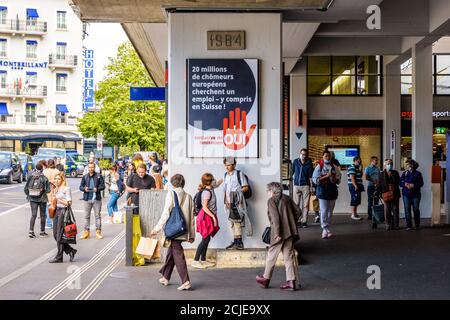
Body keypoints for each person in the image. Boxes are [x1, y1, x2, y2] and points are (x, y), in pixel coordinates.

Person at [150, 174, 195, 291]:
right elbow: (191, 218)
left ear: (173, 183)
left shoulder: (171, 194)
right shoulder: (188, 196)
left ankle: (186, 281)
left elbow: (166, 213)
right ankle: (165, 277)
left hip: (173, 230)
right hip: (183, 229)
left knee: (178, 255)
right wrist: (192, 235)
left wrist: (156, 228)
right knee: (172, 251)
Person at [256, 182, 301, 291]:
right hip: (290, 232)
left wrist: (277, 233)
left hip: (279, 233)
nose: (267, 193)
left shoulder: (271, 201)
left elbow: (275, 218)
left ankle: (265, 278)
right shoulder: (287, 198)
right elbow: (298, 211)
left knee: (271, 254)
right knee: (288, 256)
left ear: (272, 191)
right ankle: (291, 282)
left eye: (268, 191)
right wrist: (290, 222)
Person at [192, 173, 219, 269]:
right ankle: (195, 260)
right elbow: (204, 207)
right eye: (213, 179)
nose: (214, 181)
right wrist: (213, 217)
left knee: (207, 238)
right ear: (210, 182)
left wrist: (223, 178)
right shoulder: (207, 192)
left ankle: (203, 260)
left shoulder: (210, 189)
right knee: (205, 239)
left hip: (206, 216)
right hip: (205, 216)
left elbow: (218, 184)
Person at [223, 156, 250, 250]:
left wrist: (236, 194)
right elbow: (225, 189)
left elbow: (245, 187)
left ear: (234, 165)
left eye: (229, 165)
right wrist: (226, 200)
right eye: (225, 165)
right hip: (229, 203)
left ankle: (239, 242)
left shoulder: (239, 174)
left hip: (237, 202)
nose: (227, 167)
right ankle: (236, 241)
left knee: (237, 222)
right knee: (232, 223)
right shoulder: (225, 175)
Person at [312, 150, 341, 239]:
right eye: (326, 156)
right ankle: (324, 229)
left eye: (329, 156)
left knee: (330, 211)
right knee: (324, 210)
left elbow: (338, 180)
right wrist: (326, 176)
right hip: (322, 191)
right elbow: (315, 180)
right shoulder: (319, 167)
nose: (328, 158)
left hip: (332, 191)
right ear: (323, 157)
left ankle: (328, 228)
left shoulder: (335, 167)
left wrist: (333, 178)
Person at [49, 172, 77, 263]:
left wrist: (59, 199)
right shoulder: (56, 189)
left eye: (58, 179)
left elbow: (69, 203)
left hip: (63, 212)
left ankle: (59, 256)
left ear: (62, 180)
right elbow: (53, 200)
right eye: (55, 179)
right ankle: (70, 250)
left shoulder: (66, 188)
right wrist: (53, 191)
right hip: (57, 211)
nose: (56, 180)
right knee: (55, 234)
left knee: (59, 234)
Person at [79, 162, 105, 240]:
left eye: (92, 167)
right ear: (87, 168)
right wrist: (84, 189)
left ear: (94, 167)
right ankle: (86, 232)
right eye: (89, 167)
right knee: (86, 217)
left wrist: (97, 189)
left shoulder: (99, 176)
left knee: (97, 216)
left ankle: (98, 232)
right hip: (87, 199)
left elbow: (103, 186)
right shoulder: (85, 176)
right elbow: (80, 187)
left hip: (96, 199)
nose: (91, 169)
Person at [24, 162, 51, 238]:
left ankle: (31, 231)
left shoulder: (30, 176)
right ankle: (42, 232)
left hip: (32, 198)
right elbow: (48, 190)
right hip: (42, 199)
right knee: (42, 215)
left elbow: (25, 188)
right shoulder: (44, 178)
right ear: (42, 168)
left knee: (33, 215)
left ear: (35, 168)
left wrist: (29, 195)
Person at [292, 148, 314, 228]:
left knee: (305, 205)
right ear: (299, 154)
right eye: (301, 154)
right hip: (296, 185)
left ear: (307, 155)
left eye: (304, 154)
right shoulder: (295, 162)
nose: (303, 156)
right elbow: (292, 172)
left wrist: (312, 187)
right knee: (296, 204)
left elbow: (310, 177)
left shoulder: (309, 163)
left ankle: (304, 221)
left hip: (306, 186)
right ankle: (297, 220)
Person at [400, 159, 424, 231]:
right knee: (407, 210)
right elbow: (400, 182)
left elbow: (421, 183)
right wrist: (405, 184)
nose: (407, 166)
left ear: (412, 165)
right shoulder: (405, 173)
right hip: (406, 195)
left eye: (408, 165)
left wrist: (413, 185)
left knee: (416, 210)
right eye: (406, 165)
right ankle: (409, 225)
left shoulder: (418, 173)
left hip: (415, 195)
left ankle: (417, 225)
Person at [378, 159, 401, 231]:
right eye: (388, 164)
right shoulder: (381, 174)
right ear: (385, 165)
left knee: (395, 209)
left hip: (395, 194)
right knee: (387, 210)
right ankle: (388, 224)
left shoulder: (395, 173)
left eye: (391, 163)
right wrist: (379, 194)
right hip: (385, 194)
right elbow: (379, 184)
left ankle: (396, 224)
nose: (390, 165)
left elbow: (398, 182)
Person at [43, 159, 59, 229]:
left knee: (48, 207)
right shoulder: (57, 171)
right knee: (55, 207)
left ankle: (49, 223)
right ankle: (55, 222)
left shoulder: (45, 171)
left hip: (47, 190)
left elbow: (43, 181)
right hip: (56, 190)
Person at [347, 156, 365, 221]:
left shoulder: (357, 168)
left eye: (360, 161)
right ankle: (353, 215)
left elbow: (361, 175)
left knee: (357, 199)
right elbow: (352, 177)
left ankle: (355, 213)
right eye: (358, 161)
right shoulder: (352, 167)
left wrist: (361, 169)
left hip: (358, 185)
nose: (359, 162)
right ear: (354, 161)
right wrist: (355, 186)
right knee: (354, 199)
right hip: (354, 186)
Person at [365, 156, 381, 221]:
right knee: (370, 202)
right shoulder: (367, 168)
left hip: (377, 187)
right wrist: (374, 181)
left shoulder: (378, 169)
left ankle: (375, 215)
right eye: (375, 161)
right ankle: (369, 215)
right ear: (372, 161)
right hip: (371, 187)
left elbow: (379, 177)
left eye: (377, 160)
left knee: (376, 202)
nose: (377, 162)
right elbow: (366, 177)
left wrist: (378, 183)